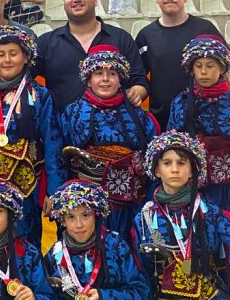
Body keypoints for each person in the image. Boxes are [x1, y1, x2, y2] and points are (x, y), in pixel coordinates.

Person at [133, 130, 230, 300]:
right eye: (167, 163)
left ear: (192, 169)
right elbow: (141, 270)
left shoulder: (210, 212)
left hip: (207, 295)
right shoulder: (144, 218)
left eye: (181, 163)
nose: (175, 169)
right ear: (157, 170)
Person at [0, 25, 66, 248]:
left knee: (25, 246)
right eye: (0, 54)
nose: (7, 60)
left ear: (25, 57)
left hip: (25, 189)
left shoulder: (40, 96)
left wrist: (54, 190)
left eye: (13, 53)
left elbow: (53, 144)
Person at [135, 0, 230, 139]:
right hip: (163, 123)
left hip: (206, 123)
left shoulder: (205, 29)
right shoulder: (146, 36)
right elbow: (138, 79)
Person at [59, 45, 158, 241]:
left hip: (131, 205)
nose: (105, 79)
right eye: (98, 73)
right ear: (88, 80)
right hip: (87, 206)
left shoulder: (139, 116)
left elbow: (153, 160)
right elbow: (60, 156)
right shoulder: (71, 114)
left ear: (120, 79)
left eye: (112, 73)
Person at [44, 180, 152, 300]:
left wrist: (103, 297)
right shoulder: (55, 254)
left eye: (85, 215)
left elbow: (139, 289)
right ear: (62, 220)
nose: (79, 224)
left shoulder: (115, 244)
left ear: (96, 214)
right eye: (71, 217)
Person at [167, 36, 230, 220]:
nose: (203, 72)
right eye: (198, 66)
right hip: (193, 185)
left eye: (210, 66)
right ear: (191, 69)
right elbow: (171, 144)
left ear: (222, 68)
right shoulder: (180, 102)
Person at [27, 0, 149, 111]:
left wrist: (136, 92)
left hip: (114, 123)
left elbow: (140, 80)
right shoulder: (46, 43)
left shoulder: (121, 38)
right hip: (60, 124)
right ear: (64, 2)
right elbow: (23, 78)